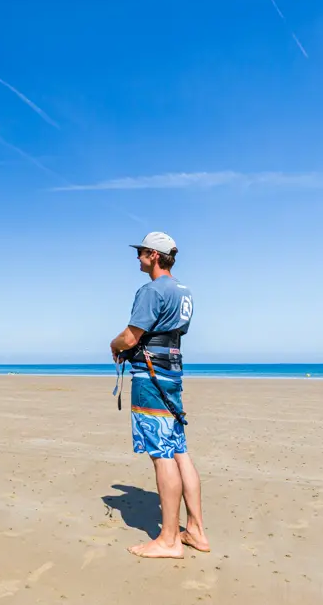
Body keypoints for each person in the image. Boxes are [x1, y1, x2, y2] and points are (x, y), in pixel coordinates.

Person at [109, 232, 209, 559]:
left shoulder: (151, 290)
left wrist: (114, 346)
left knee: (161, 452)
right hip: (173, 371)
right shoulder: (184, 291)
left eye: (140, 252)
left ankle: (168, 539)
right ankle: (195, 529)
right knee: (178, 448)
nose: (137, 257)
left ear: (153, 255)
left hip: (151, 375)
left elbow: (131, 335)